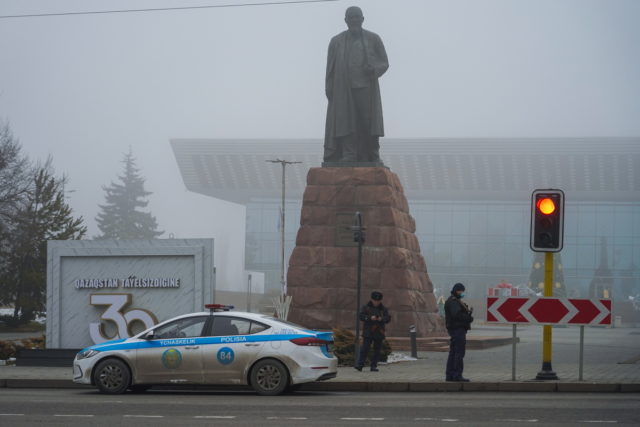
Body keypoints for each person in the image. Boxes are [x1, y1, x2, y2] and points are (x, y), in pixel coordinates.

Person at [324, 6, 389, 164]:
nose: (354, 20)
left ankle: (373, 154)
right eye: (350, 18)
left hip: (366, 87)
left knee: (369, 122)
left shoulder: (373, 38)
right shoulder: (336, 41)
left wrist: (374, 69)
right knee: (345, 122)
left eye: (356, 17)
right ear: (345, 20)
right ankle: (349, 154)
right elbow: (330, 68)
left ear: (362, 19)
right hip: (343, 88)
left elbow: (384, 62)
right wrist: (329, 87)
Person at [354, 291, 391, 372]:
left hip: (379, 332)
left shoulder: (383, 309)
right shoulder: (366, 307)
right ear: (372, 299)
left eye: (378, 300)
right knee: (364, 349)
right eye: (375, 300)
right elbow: (361, 316)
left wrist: (382, 319)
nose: (376, 302)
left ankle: (373, 366)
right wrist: (370, 318)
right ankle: (360, 365)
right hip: (368, 332)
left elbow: (388, 318)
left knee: (377, 350)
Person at [444, 283, 474, 382]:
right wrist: (468, 318)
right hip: (457, 329)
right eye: (461, 291)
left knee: (453, 352)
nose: (462, 293)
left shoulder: (455, 300)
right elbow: (457, 315)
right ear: (457, 290)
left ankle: (450, 375)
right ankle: (457, 375)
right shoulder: (453, 301)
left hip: (456, 329)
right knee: (459, 353)